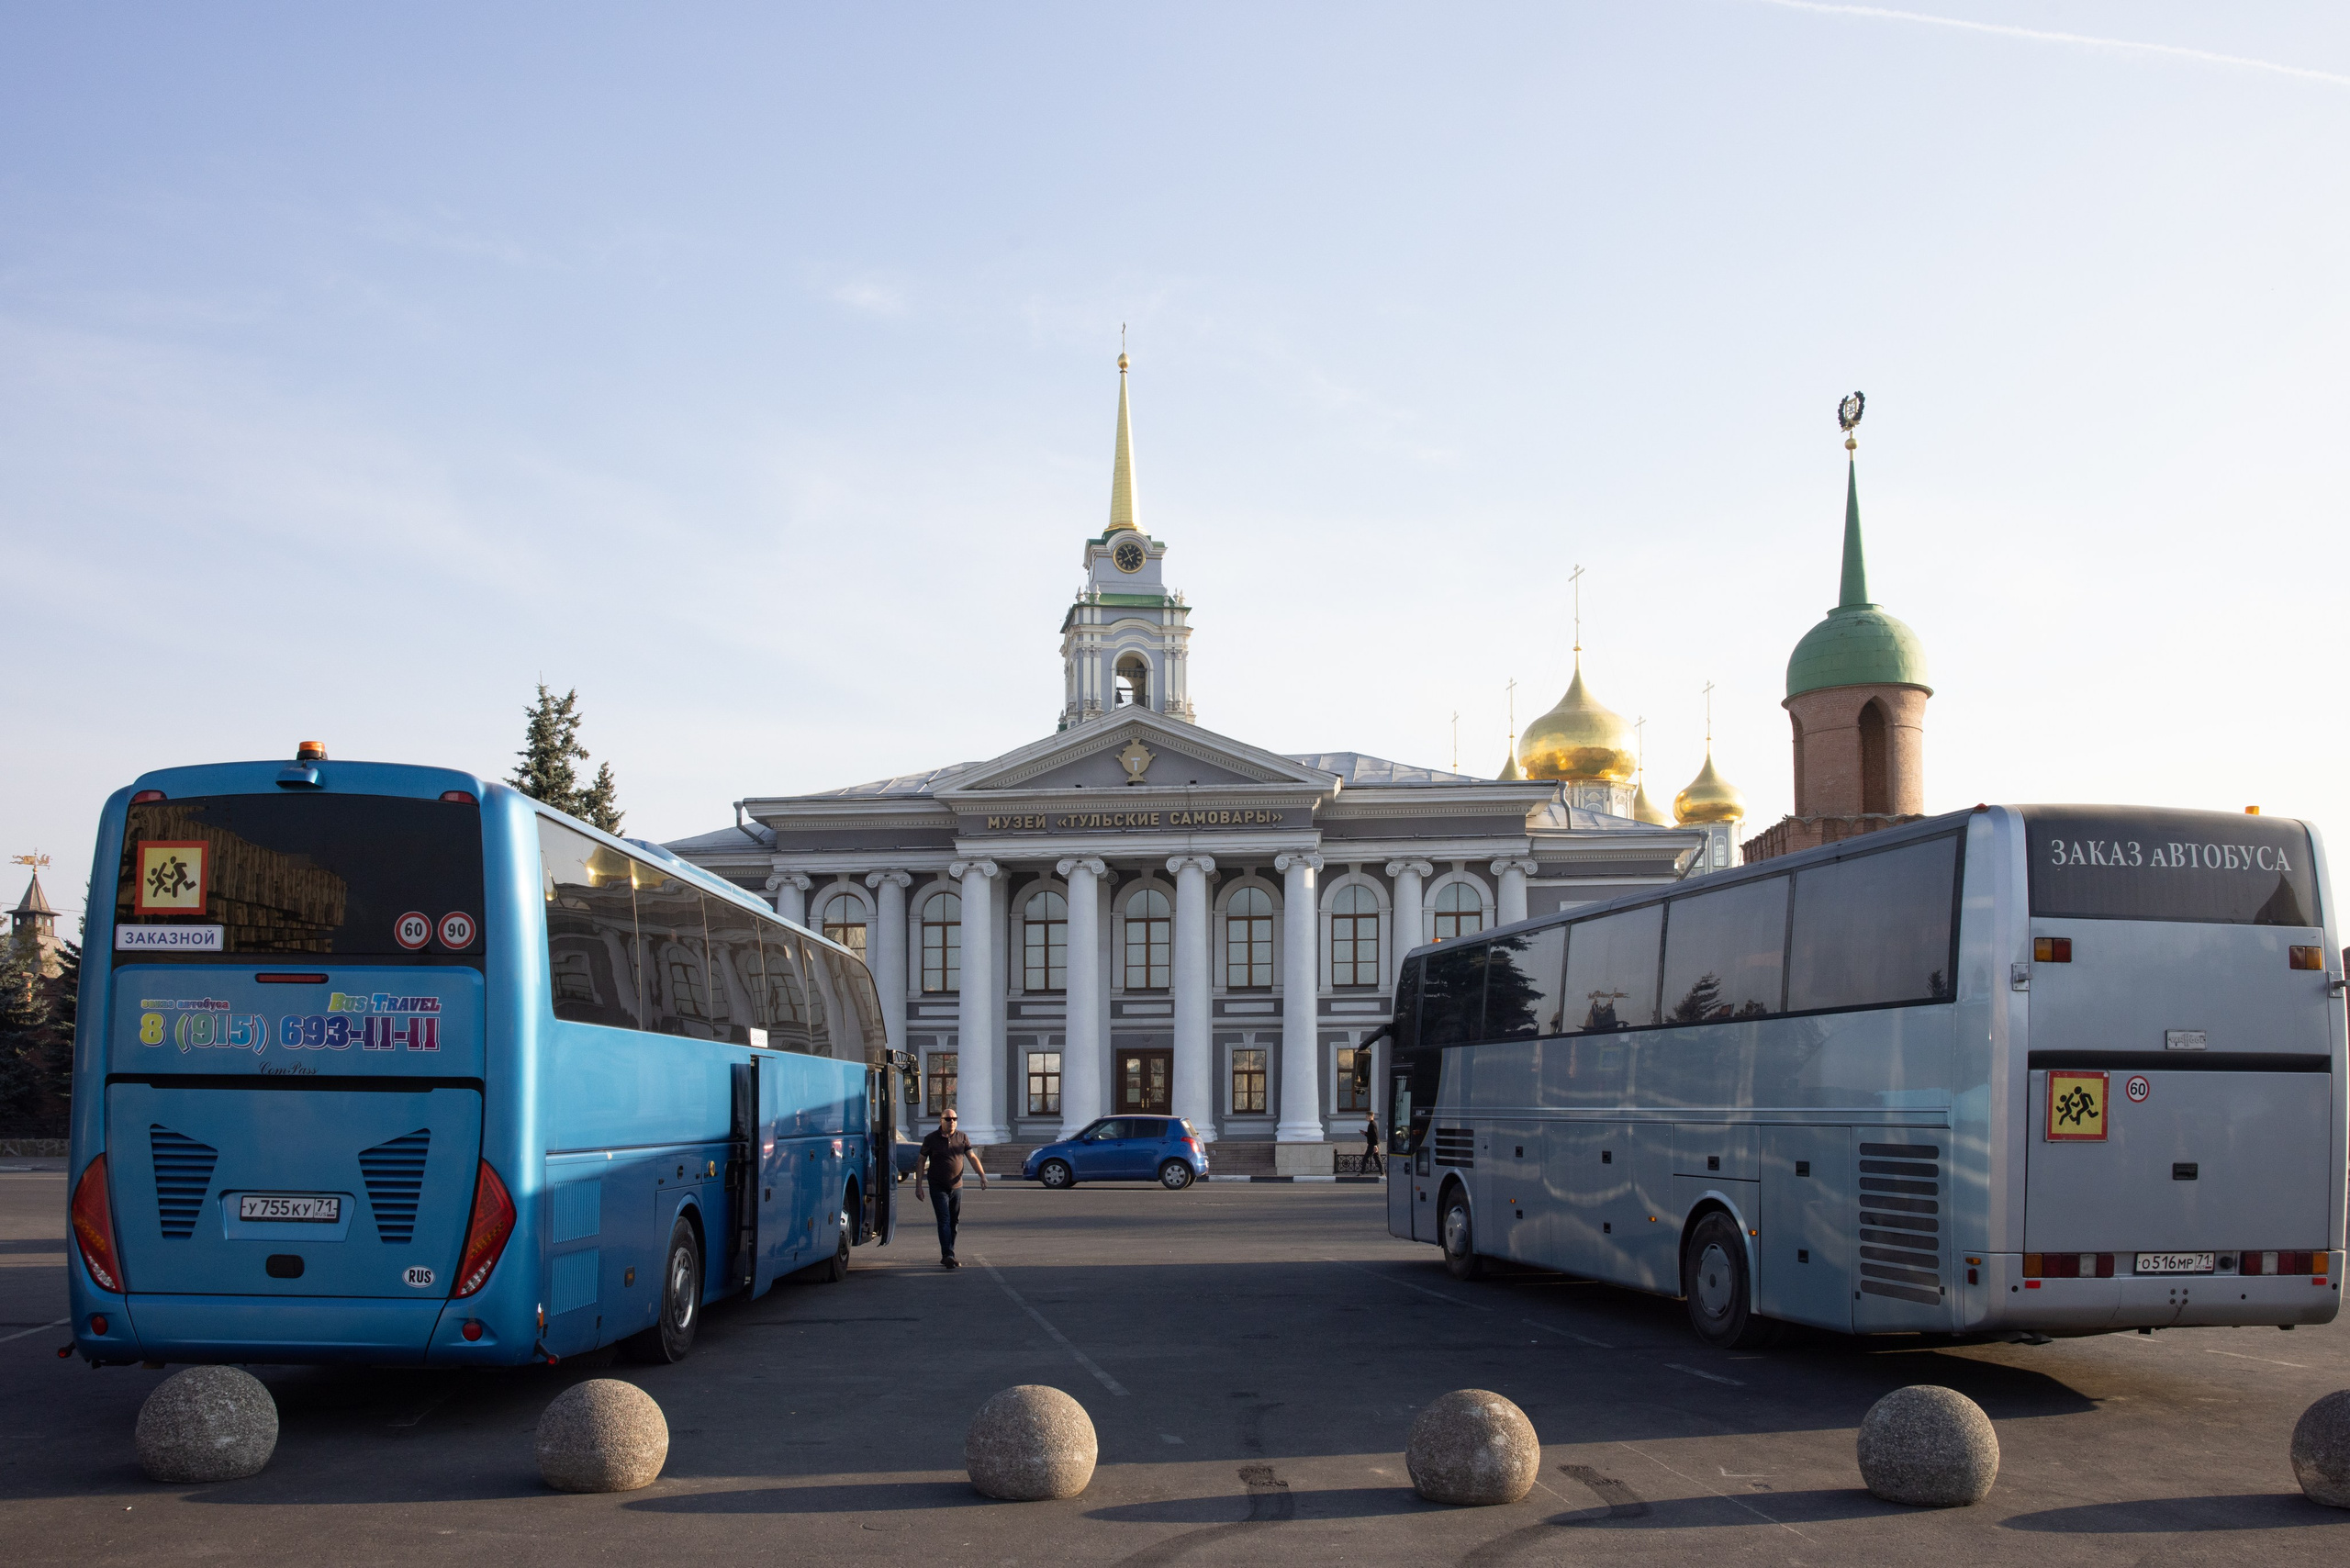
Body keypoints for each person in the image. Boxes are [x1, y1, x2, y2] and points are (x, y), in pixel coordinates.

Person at [914, 1108, 988, 1269]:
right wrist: (918, 1186)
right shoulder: (931, 1139)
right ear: (941, 1121)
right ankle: (947, 1254)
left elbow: (972, 1157)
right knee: (944, 1220)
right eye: (948, 1119)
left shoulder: (962, 1137)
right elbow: (920, 1161)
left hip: (957, 1186)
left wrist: (982, 1175)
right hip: (937, 1185)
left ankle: (949, 1252)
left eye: (955, 1118)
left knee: (954, 1221)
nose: (952, 1122)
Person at [1360, 1111, 1384, 1176]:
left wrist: (1375, 1145)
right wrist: (1365, 1133)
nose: (1366, 1117)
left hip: (1372, 1145)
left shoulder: (1372, 1124)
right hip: (1373, 1144)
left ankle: (1362, 1173)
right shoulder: (1372, 1124)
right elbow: (1371, 1135)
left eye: (1367, 1116)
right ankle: (1383, 1173)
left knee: (1365, 1158)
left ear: (1370, 1116)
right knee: (1377, 1159)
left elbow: (1375, 1136)